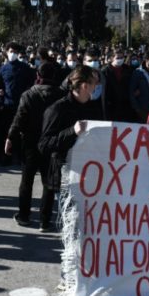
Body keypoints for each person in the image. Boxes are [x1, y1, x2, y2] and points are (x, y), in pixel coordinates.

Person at [37, 65, 103, 232]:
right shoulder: (58, 109)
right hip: (66, 174)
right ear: (84, 86)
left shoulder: (94, 108)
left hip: (91, 175)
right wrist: (71, 132)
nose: (97, 87)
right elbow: (44, 144)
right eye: (94, 83)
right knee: (73, 227)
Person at [7, 61, 65, 227]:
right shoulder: (60, 94)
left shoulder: (29, 94)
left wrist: (10, 137)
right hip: (52, 143)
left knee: (27, 180)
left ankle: (24, 215)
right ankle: (45, 220)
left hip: (30, 142)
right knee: (49, 182)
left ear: (37, 76)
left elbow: (19, 118)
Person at [0, 43, 35, 165]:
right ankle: (6, 156)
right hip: (7, 105)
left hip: (22, 105)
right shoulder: (2, 69)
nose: (12, 53)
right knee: (7, 132)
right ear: (6, 52)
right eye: (10, 51)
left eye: (14, 51)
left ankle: (21, 157)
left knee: (22, 132)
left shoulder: (24, 68)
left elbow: (31, 84)